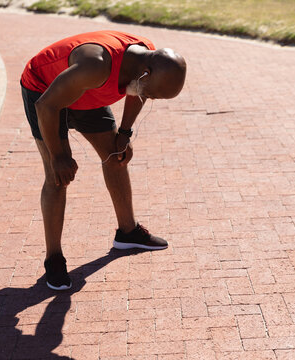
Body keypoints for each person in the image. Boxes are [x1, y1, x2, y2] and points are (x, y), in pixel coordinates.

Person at [21, 30, 187, 290]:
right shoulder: (95, 65)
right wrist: (59, 156)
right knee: (58, 176)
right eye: (154, 94)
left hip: (85, 92)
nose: (150, 98)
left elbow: (138, 91)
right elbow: (46, 106)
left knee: (116, 155)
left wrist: (124, 132)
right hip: (45, 91)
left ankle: (127, 232)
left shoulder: (146, 58)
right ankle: (53, 259)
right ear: (145, 73)